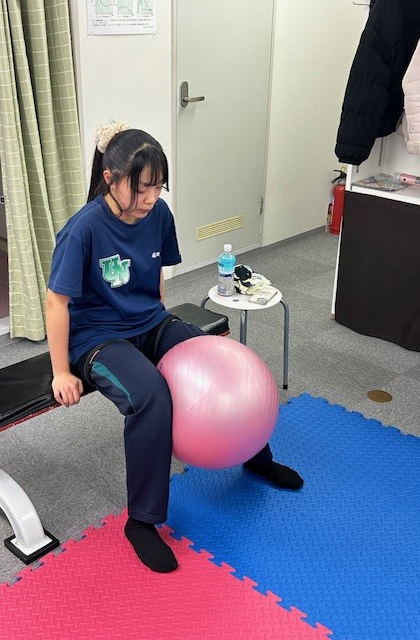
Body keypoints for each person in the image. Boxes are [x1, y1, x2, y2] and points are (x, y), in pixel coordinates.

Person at [46, 122, 303, 574]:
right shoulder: (83, 229)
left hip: (149, 322)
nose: (150, 198)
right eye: (141, 188)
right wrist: (61, 372)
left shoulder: (159, 215)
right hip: (97, 339)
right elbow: (56, 302)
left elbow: (155, 275)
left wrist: (165, 326)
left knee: (217, 362)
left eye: (157, 187)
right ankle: (142, 521)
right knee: (151, 395)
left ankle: (255, 456)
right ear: (110, 178)